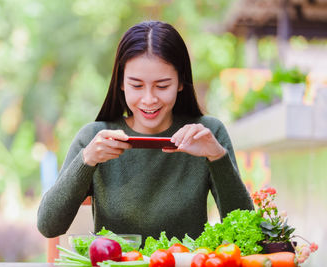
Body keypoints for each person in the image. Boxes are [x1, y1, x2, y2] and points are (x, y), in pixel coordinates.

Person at [37, 20, 253, 242]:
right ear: (121, 82)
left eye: (162, 86)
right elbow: (48, 225)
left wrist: (217, 157)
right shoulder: (95, 138)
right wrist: (87, 160)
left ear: (180, 82)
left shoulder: (208, 134)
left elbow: (243, 232)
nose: (149, 99)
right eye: (137, 86)